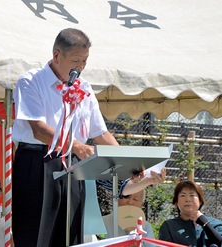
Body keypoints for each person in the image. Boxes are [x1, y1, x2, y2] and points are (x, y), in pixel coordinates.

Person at [12, 27, 166, 247]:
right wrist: (76, 146)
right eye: (76, 60)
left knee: (71, 235)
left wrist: (132, 164)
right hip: (37, 163)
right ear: (57, 55)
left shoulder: (83, 87)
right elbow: (38, 128)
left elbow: (101, 134)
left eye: (84, 61)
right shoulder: (30, 80)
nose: (80, 67)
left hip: (75, 165)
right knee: (35, 235)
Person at [159, 180, 222, 247]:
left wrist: (205, 224)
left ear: (200, 201)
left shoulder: (216, 224)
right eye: (183, 195)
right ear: (176, 202)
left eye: (192, 195)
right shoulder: (169, 226)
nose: (188, 199)